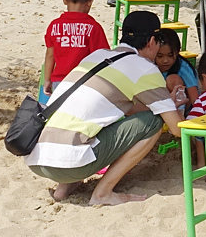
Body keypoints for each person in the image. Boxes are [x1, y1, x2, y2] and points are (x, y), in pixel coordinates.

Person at [25, 11, 179, 206]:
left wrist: (160, 105)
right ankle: (103, 193)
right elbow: (176, 128)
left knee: (92, 118)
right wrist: (170, 107)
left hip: (38, 159)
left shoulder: (98, 56)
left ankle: (64, 187)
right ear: (151, 41)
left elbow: (125, 109)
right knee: (154, 122)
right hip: (71, 163)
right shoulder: (145, 68)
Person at [40, 0, 110, 96]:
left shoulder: (54, 26)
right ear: (90, 2)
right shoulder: (94, 28)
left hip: (59, 82)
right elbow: (101, 58)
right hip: (85, 82)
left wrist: (47, 80)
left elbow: (50, 55)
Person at [153, 27, 197, 111]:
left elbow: (194, 99)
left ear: (177, 52)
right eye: (160, 56)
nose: (165, 61)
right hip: (159, 107)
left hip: (182, 110)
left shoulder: (183, 67)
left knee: (173, 80)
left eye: (170, 55)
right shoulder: (149, 65)